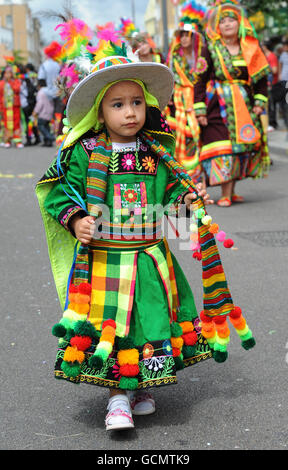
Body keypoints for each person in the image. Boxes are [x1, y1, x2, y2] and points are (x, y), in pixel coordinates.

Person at [36, 40, 256, 432]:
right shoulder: (84, 152)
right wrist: (76, 220)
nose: (130, 111)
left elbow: (170, 204)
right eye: (117, 104)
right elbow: (58, 193)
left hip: (152, 257)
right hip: (105, 259)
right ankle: (116, 398)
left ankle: (139, 387)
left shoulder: (158, 154)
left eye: (136, 102)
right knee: (112, 325)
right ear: (99, 113)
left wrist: (187, 201)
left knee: (150, 321)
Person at [194, 0, 270, 206]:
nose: (227, 24)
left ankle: (232, 190)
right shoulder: (210, 48)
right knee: (223, 146)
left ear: (239, 24)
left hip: (245, 105)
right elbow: (199, 79)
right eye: (223, 21)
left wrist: (259, 102)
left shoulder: (251, 47)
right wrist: (199, 108)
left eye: (231, 21)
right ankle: (225, 193)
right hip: (217, 105)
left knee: (240, 148)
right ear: (217, 26)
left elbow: (262, 79)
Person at [166, 1, 206, 183]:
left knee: (201, 136)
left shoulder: (202, 55)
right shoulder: (174, 57)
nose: (183, 39)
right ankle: (186, 176)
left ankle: (200, 174)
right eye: (181, 35)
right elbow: (169, 79)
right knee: (184, 136)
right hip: (180, 103)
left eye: (187, 35)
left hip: (198, 100)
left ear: (194, 37)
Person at [0, 65, 23, 148]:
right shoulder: (1, 84)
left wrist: (10, 82)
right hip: (6, 107)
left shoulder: (16, 82)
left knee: (16, 123)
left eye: (9, 73)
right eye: (6, 73)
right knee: (7, 124)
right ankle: (7, 140)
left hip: (15, 106)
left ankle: (17, 140)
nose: (8, 75)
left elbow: (17, 89)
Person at [19, 64, 41, 146]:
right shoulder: (33, 76)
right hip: (33, 103)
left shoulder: (22, 80)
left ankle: (29, 139)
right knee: (32, 121)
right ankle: (37, 137)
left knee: (28, 122)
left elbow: (23, 92)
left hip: (26, 105)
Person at [32, 79, 55, 147]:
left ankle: (51, 138)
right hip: (50, 112)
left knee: (41, 126)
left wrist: (35, 112)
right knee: (46, 127)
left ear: (39, 85)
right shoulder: (48, 91)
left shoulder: (41, 93)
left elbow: (40, 103)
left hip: (43, 113)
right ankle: (47, 142)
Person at [262, 42, 279, 131]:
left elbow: (275, 70)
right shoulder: (264, 56)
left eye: (262, 45)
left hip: (271, 84)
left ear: (265, 46)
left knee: (271, 104)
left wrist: (264, 68)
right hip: (266, 84)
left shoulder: (271, 56)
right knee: (267, 104)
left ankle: (272, 123)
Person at [278, 40, 288, 131]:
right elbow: (280, 65)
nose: (284, 48)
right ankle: (286, 121)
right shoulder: (283, 55)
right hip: (284, 80)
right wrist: (279, 75)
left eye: (285, 46)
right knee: (284, 101)